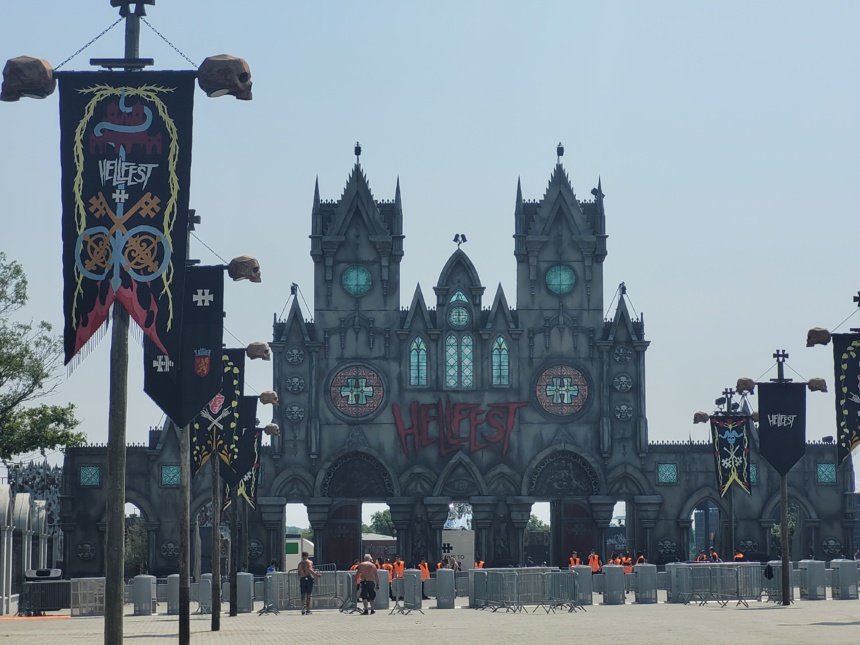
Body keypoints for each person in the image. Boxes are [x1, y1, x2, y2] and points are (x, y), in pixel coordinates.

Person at [296, 551, 321, 615]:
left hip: (302, 579)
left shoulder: (299, 564)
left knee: (302, 594)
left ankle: (303, 605)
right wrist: (316, 575)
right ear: (307, 556)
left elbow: (298, 573)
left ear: (302, 556)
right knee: (308, 595)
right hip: (309, 578)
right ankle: (308, 610)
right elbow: (310, 570)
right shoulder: (309, 562)